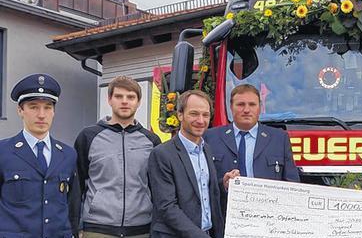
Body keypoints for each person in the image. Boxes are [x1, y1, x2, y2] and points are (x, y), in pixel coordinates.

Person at [74, 76, 161, 237]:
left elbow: (156, 187)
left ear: (139, 102)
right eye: (119, 96)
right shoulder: (88, 137)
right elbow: (77, 185)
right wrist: (77, 226)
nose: (125, 101)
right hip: (97, 228)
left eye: (131, 97)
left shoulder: (151, 140)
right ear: (109, 99)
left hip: (140, 229)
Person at [0, 73, 79, 237]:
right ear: (20, 110)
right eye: (34, 107)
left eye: (48, 107)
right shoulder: (4, 152)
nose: (41, 114)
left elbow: (72, 206)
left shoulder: (68, 154)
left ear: (54, 112)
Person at [204, 84, 300, 215]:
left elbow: (292, 184)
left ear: (260, 108)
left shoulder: (279, 138)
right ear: (231, 107)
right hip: (225, 215)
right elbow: (203, 182)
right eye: (240, 104)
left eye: (252, 104)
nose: (246, 110)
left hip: (267, 217)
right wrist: (223, 184)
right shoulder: (210, 137)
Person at [148, 90, 224, 238]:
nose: (201, 120)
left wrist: (223, 184)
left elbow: (201, 190)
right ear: (180, 114)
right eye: (194, 114)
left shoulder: (206, 149)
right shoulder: (162, 154)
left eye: (206, 115)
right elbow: (166, 207)